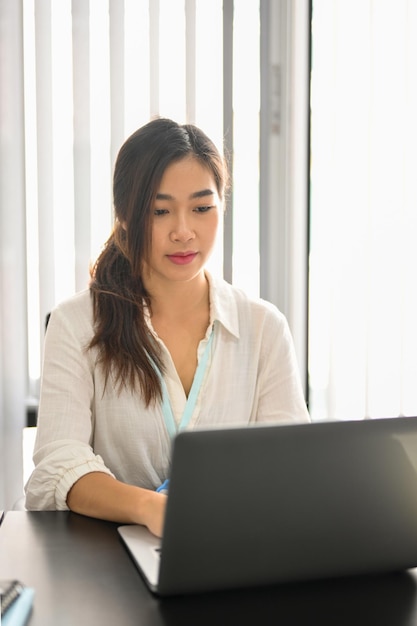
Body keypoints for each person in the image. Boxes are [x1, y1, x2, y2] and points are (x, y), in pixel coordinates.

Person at [25, 117, 310, 537]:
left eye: (201, 208)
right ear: (124, 217)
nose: (183, 231)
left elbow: (291, 465)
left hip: (234, 547)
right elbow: (60, 462)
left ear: (222, 206)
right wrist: (151, 508)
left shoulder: (263, 327)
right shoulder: (77, 324)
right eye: (159, 211)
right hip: (108, 560)